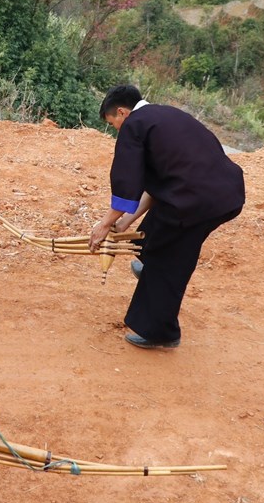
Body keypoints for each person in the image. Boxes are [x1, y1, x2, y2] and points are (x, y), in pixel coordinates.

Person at [89, 85, 246, 349]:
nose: (116, 129)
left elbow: (127, 182)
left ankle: (162, 333)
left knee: (169, 261)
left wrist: (104, 225)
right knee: (167, 223)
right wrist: (125, 222)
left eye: (113, 123)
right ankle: (146, 259)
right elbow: (158, 184)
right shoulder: (164, 115)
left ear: (121, 112)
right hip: (224, 193)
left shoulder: (134, 126)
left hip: (196, 200)